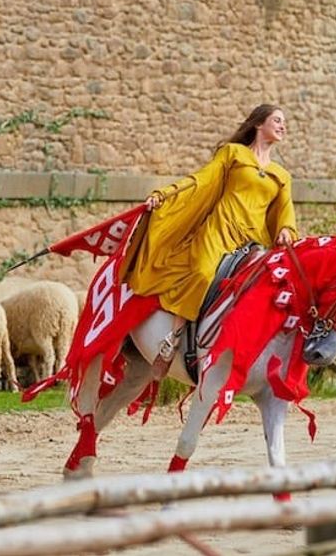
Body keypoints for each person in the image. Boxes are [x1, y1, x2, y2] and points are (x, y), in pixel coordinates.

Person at [127, 104, 298, 376]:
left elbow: (285, 211)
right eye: (277, 120)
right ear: (258, 124)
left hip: (253, 239)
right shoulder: (233, 154)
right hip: (219, 231)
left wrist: (287, 229)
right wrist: (165, 194)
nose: (282, 126)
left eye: (284, 122)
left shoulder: (281, 175)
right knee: (202, 273)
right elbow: (201, 180)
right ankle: (173, 340)